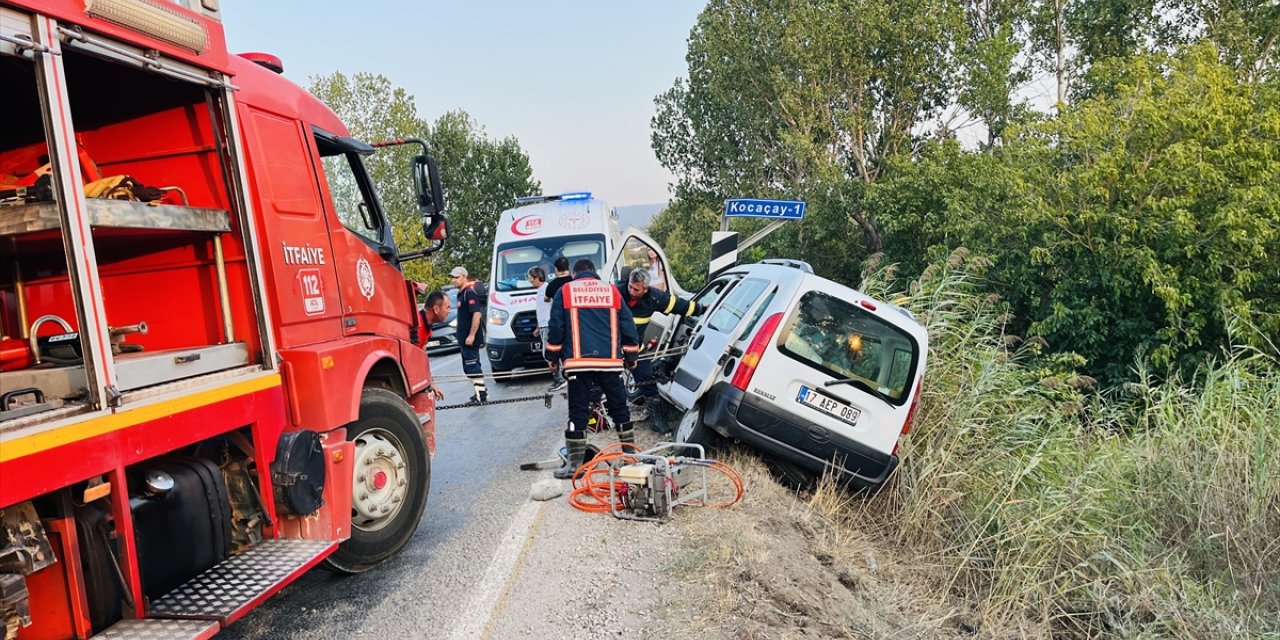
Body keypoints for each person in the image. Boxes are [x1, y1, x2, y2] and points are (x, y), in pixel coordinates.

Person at [546, 258, 639, 479]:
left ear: (575, 273)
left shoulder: (565, 291)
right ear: (594, 272)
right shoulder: (612, 291)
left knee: (577, 411)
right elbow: (628, 325)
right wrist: (631, 355)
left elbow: (556, 327)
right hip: (611, 364)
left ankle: (575, 467)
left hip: (579, 364)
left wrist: (552, 357)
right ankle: (630, 459)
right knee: (619, 408)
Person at [617, 268, 702, 429]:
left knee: (648, 381)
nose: (631, 291)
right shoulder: (616, 293)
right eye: (630, 286)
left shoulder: (655, 298)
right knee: (599, 382)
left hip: (636, 350)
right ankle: (594, 416)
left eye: (636, 289)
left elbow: (679, 305)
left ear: (646, 289)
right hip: (612, 349)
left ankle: (658, 420)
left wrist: (701, 309)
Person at [450, 266, 488, 404]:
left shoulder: (469, 293)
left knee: (473, 366)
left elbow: (476, 314)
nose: (453, 280)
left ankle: (480, 396)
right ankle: (480, 390)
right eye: (452, 277)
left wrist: (472, 335)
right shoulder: (461, 294)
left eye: (456, 277)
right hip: (464, 339)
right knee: (469, 367)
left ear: (464, 277)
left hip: (469, 339)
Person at [528, 266, 566, 392]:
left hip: (549, 326)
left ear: (537, 277)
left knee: (549, 354)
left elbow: (554, 307)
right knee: (549, 354)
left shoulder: (547, 289)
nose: (529, 280)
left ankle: (559, 379)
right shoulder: (539, 290)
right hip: (543, 326)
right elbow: (542, 311)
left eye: (530, 277)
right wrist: (538, 327)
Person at [418, 290, 451, 401]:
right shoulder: (416, 326)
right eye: (447, 308)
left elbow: (422, 358)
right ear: (436, 309)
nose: (449, 311)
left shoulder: (427, 327)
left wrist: (432, 382)